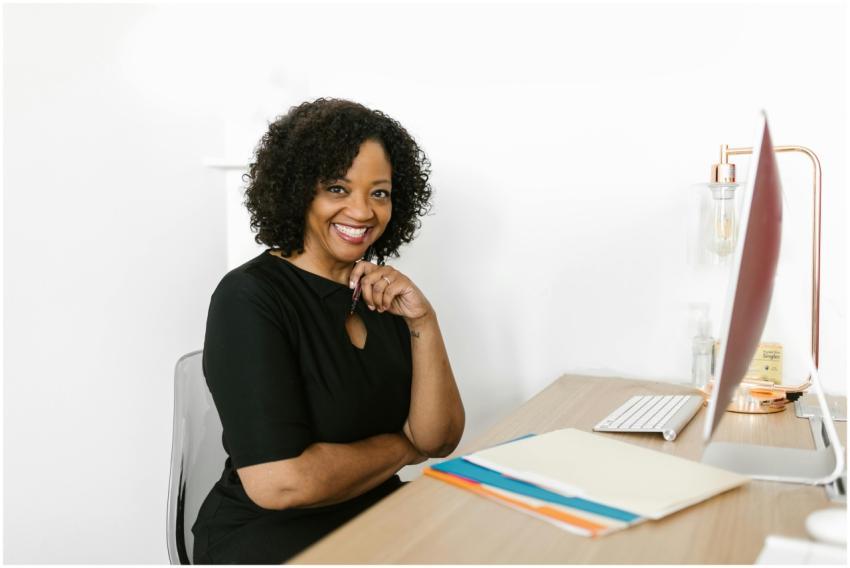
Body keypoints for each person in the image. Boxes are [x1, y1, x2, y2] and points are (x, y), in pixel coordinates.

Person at [192, 98, 465, 564]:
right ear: (298, 192)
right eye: (337, 189)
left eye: (379, 192)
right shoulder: (249, 298)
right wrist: (403, 446)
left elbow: (437, 439)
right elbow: (281, 483)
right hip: (271, 539)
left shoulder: (380, 292)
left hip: (376, 517)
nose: (362, 211)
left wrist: (423, 320)